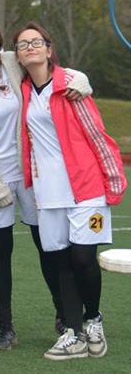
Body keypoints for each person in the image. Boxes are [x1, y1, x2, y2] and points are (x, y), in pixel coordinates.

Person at [0, 15, 90, 350]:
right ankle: (5, 327)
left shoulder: (11, 64)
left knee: (49, 247)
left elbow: (56, 72)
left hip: (32, 174)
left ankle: (64, 314)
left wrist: (81, 83)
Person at [14, 23, 125, 360]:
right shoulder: (21, 91)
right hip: (48, 192)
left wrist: (113, 178)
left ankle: (93, 320)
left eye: (37, 42)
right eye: (23, 44)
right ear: (17, 56)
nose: (30, 47)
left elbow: (96, 134)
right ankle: (73, 334)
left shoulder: (72, 87)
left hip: (85, 186)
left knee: (82, 258)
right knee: (61, 261)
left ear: (49, 50)